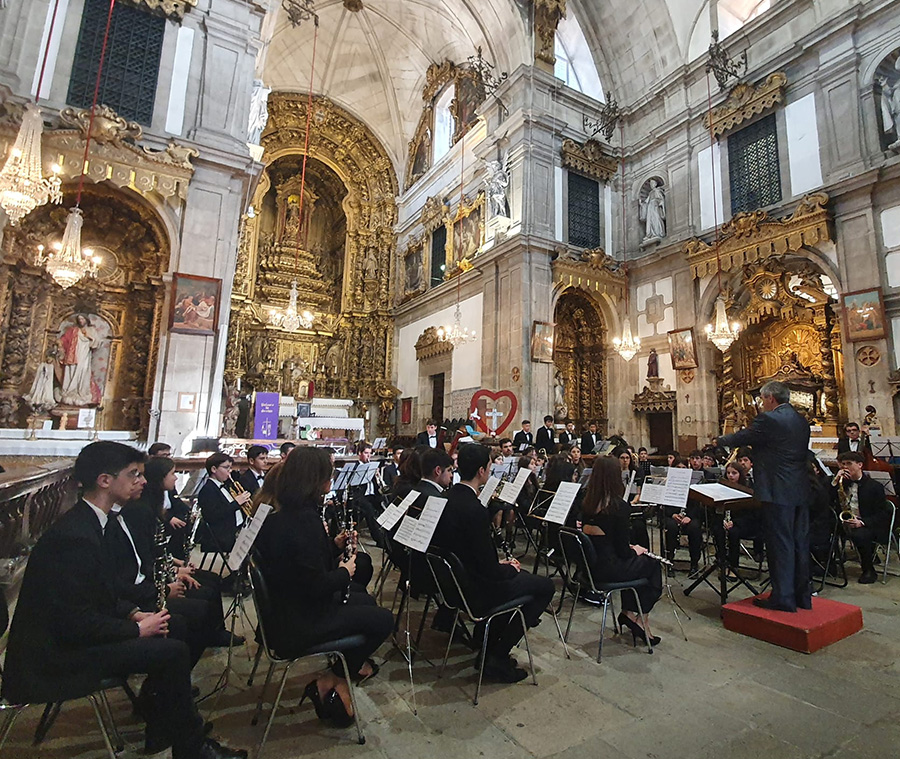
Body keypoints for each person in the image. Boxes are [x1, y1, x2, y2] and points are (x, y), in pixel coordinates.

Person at [2, 441, 246, 759]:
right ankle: (188, 745)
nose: (142, 481)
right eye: (133, 474)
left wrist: (133, 614)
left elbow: (98, 595)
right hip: (52, 658)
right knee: (171, 649)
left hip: (73, 638)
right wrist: (135, 630)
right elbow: (71, 621)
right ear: (105, 480)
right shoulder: (75, 536)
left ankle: (165, 728)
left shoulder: (91, 523)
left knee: (174, 631)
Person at [254, 447, 392, 726]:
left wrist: (332, 546)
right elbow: (316, 585)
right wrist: (345, 571)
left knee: (365, 603)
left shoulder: (281, 516)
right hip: (300, 623)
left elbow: (299, 567)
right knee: (383, 620)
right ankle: (334, 679)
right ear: (316, 480)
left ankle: (339, 672)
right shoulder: (303, 521)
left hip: (285, 612)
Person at [431, 444, 555, 682]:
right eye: (489, 466)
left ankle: (486, 639)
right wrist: (508, 567)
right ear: (481, 471)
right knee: (544, 587)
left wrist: (499, 563)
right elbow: (490, 571)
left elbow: (465, 551)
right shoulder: (474, 509)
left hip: (455, 585)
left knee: (521, 577)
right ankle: (496, 655)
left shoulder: (446, 499)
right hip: (477, 591)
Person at [718, 380, 812, 612]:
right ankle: (802, 596)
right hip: (799, 488)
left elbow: (745, 436)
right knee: (799, 542)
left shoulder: (769, 419)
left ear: (770, 398)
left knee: (779, 544)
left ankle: (783, 598)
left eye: (762, 399)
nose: (761, 403)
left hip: (777, 489)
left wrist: (720, 440)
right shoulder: (801, 420)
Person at [580, 456, 662, 645]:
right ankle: (641, 620)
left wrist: (628, 549)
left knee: (639, 565)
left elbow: (606, 540)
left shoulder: (586, 504)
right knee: (652, 564)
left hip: (590, 570)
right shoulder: (619, 507)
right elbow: (624, 553)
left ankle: (628, 613)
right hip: (610, 570)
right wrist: (636, 550)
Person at [833, 451, 894, 583]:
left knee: (860, 534)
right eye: (843, 464)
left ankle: (868, 570)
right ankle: (829, 565)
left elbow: (883, 514)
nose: (845, 467)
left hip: (867, 524)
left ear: (860, 465)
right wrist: (835, 480)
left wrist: (862, 522)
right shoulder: (842, 483)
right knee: (823, 527)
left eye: (849, 464)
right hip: (845, 520)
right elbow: (826, 499)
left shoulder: (874, 486)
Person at [197, 452, 251, 555]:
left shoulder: (226, 486)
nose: (229, 471)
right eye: (226, 468)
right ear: (214, 469)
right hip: (223, 536)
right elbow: (212, 515)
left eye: (230, 468)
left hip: (237, 529)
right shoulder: (208, 490)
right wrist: (236, 503)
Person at [59, 314, 99, 406]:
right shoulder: (73, 330)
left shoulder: (91, 330)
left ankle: (81, 391)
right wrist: (60, 344)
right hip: (74, 355)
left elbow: (96, 343)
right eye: (79, 319)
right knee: (72, 371)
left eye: (82, 319)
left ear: (86, 320)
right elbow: (64, 339)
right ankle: (70, 390)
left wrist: (88, 336)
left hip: (84, 355)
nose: (81, 321)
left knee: (83, 371)